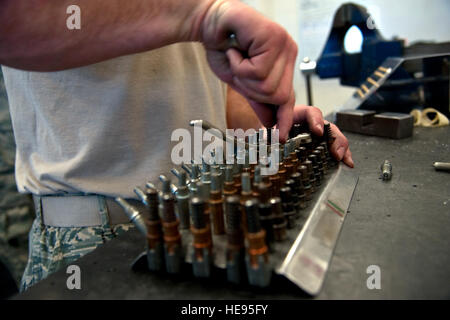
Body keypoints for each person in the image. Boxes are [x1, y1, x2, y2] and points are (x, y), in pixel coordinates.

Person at [0, 0, 353, 291]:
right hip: (97, 237)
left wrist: (276, 131)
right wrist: (200, 15)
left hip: (213, 216)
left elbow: (212, 85)